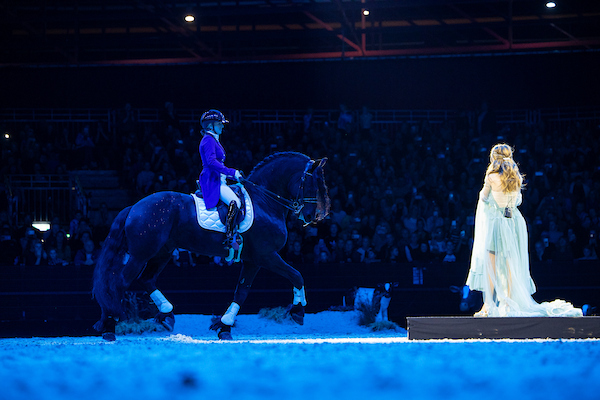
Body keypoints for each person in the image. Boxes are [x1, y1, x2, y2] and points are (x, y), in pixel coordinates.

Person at [465, 144, 582, 317]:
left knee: (491, 263)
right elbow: (516, 200)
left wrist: (487, 185)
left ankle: (488, 304)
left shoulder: (491, 176)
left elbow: (483, 197)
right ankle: (508, 303)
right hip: (514, 222)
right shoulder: (515, 176)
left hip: (497, 223)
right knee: (509, 264)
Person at [198, 110, 243, 249]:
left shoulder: (213, 139)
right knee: (235, 202)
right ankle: (229, 237)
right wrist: (232, 172)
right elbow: (211, 162)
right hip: (212, 180)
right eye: (220, 124)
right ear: (210, 125)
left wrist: (232, 175)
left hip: (219, 179)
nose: (222, 127)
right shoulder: (208, 140)